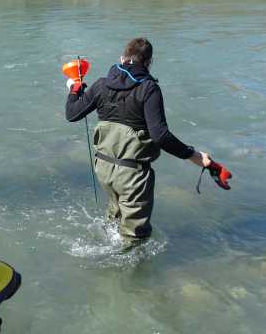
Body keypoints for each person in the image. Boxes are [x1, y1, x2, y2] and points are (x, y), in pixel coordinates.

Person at [65, 37, 212, 243]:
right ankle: (124, 272)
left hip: (103, 167)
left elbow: (72, 114)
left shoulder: (101, 85)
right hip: (131, 175)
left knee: (114, 220)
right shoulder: (148, 89)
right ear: (149, 63)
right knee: (135, 240)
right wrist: (193, 155)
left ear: (122, 58)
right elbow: (160, 135)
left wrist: (74, 90)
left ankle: (106, 248)